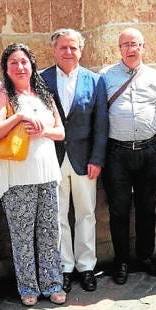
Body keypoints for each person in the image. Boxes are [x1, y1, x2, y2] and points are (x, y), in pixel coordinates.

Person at [0, 43, 66, 306]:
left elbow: (60, 132)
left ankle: (53, 283)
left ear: (32, 65)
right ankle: (28, 286)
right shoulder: (1, 95)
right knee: (22, 235)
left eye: (24, 62)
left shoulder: (44, 94)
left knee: (49, 231)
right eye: (13, 63)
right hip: (17, 176)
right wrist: (18, 116)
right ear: (6, 69)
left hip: (46, 172)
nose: (20, 67)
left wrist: (43, 131)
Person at [99, 27, 156, 284]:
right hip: (116, 153)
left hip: (149, 150)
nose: (130, 49)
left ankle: (145, 256)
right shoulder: (105, 76)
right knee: (118, 209)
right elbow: (99, 117)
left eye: (135, 44)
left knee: (147, 207)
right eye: (125, 45)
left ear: (143, 47)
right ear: (119, 49)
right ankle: (121, 260)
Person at [40, 28, 108, 293]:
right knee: (57, 216)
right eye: (63, 47)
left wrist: (97, 158)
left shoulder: (94, 80)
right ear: (53, 50)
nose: (68, 52)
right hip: (52, 158)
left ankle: (86, 266)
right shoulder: (41, 79)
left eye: (73, 48)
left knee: (86, 213)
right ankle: (65, 267)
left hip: (84, 160)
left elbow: (101, 124)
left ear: (81, 50)